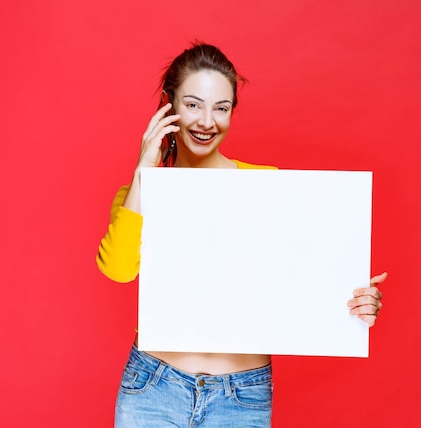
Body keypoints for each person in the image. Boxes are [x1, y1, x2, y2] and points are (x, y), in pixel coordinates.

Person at [96, 43, 387, 428]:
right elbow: (118, 269)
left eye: (221, 108)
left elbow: (305, 276)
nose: (206, 122)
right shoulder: (141, 194)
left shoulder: (265, 185)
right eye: (193, 105)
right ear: (168, 107)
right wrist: (143, 170)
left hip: (240, 396)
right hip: (153, 388)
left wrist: (355, 301)